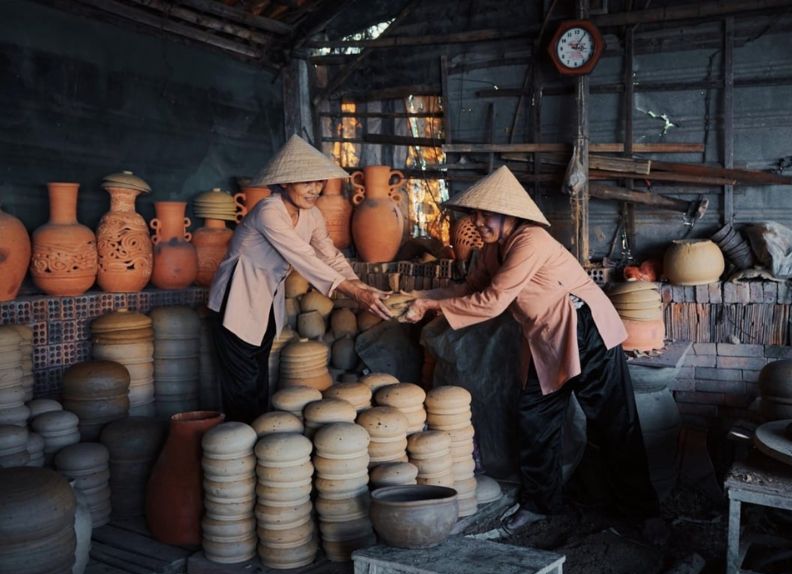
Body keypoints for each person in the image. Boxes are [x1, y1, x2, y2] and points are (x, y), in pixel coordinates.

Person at [403, 166, 661, 534]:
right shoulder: (492, 250)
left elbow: (491, 302)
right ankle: (541, 504)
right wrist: (422, 297)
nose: (478, 221)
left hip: (586, 330)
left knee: (614, 423)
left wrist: (431, 307)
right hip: (545, 337)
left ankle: (642, 512)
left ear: (509, 214)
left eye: (485, 213)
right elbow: (467, 289)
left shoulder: (531, 241)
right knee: (535, 421)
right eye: (474, 213)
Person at [208, 135, 391, 423]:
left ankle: (260, 442)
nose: (314, 189)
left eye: (318, 181)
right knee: (242, 385)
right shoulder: (270, 211)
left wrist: (363, 287)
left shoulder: (312, 214)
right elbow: (303, 256)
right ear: (284, 183)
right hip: (236, 299)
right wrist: (355, 295)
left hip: (266, 301)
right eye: (306, 182)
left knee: (258, 378)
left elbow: (330, 256)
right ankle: (240, 447)